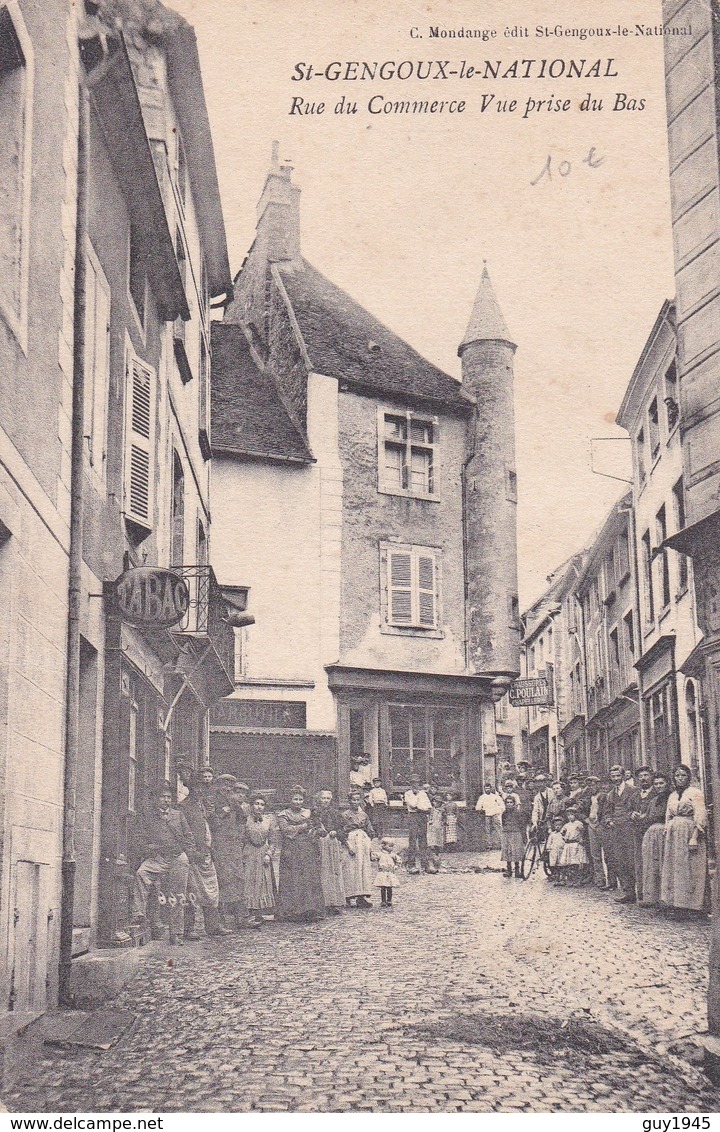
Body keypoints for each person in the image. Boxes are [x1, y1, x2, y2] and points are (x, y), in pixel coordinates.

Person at [132, 782, 195, 944]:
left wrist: (189, 856)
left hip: (177, 858)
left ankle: (176, 934)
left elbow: (188, 837)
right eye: (162, 797)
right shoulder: (147, 816)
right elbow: (139, 838)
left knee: (178, 896)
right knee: (141, 873)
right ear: (155, 799)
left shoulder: (178, 815)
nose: (166, 800)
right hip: (157, 858)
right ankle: (138, 913)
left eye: (168, 797)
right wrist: (152, 851)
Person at [180, 768, 229, 939]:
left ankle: (213, 926)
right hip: (195, 855)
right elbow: (184, 833)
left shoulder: (204, 805)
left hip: (207, 853)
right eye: (196, 788)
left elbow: (212, 826)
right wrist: (193, 852)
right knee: (192, 892)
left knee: (212, 890)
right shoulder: (184, 807)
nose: (199, 791)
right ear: (191, 789)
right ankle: (189, 928)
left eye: (202, 788)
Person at [660, 764, 708, 916]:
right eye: (677, 776)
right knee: (675, 867)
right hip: (674, 835)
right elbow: (668, 815)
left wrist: (694, 837)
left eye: (683, 775)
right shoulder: (673, 795)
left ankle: (693, 905)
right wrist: (667, 830)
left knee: (690, 868)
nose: (680, 778)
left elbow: (700, 815)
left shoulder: (695, 793)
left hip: (689, 832)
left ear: (689, 777)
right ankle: (676, 903)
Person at [210, 775, 255, 931]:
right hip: (220, 847)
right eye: (224, 785)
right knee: (222, 881)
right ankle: (219, 921)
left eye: (231, 787)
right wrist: (223, 812)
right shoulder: (213, 801)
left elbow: (242, 825)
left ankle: (241, 918)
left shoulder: (236, 804)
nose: (227, 789)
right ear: (218, 786)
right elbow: (212, 824)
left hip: (234, 847)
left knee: (238, 880)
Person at [276, 786, 326, 922]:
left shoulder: (309, 813)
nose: (298, 802)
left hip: (307, 849)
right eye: (295, 799)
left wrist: (318, 830)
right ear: (290, 800)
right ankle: (292, 911)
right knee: (293, 878)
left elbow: (319, 826)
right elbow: (286, 830)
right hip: (291, 850)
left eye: (300, 799)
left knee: (309, 878)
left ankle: (311, 909)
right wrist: (302, 827)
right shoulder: (283, 814)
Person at [603, 764, 639, 903]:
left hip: (630, 829)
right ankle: (628, 891)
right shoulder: (610, 794)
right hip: (616, 830)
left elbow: (637, 808)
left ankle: (639, 891)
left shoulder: (633, 791)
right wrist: (608, 820)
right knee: (619, 860)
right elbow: (607, 812)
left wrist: (631, 816)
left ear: (623, 776)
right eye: (613, 776)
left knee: (632, 860)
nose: (616, 779)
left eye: (618, 776)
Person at [243, 793, 280, 925]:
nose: (259, 807)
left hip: (263, 853)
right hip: (249, 853)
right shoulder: (245, 819)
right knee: (249, 881)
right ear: (252, 805)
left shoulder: (268, 820)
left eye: (262, 804)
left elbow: (273, 840)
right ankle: (247, 912)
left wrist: (268, 854)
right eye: (256, 804)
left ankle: (260, 912)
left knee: (263, 881)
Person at [313, 788, 347, 914]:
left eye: (328, 798)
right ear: (319, 799)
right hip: (319, 844)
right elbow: (311, 828)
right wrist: (318, 832)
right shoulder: (314, 813)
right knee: (322, 871)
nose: (325, 801)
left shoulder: (335, 813)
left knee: (333, 872)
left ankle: (333, 903)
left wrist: (336, 832)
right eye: (323, 798)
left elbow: (344, 829)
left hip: (332, 844)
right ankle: (322, 903)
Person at [341, 788, 376, 907]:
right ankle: (348, 897)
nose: (356, 802)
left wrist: (369, 846)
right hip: (351, 841)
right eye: (353, 800)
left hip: (363, 842)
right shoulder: (345, 815)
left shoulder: (364, 814)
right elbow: (342, 832)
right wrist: (348, 846)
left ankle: (361, 897)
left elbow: (370, 830)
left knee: (363, 869)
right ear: (349, 801)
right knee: (350, 869)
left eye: (358, 800)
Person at [640, 771, 671, 908]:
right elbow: (648, 816)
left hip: (663, 833)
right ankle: (652, 897)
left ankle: (666, 899)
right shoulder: (653, 800)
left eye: (661, 783)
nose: (658, 786)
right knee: (651, 866)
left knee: (663, 865)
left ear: (667, 784)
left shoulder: (671, 797)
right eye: (656, 783)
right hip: (651, 834)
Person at [629, 766, 656, 902]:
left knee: (653, 862)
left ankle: (654, 895)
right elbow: (629, 810)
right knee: (639, 862)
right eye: (640, 776)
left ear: (651, 776)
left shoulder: (657, 793)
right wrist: (631, 814)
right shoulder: (635, 795)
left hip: (653, 832)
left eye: (646, 775)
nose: (643, 779)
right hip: (638, 832)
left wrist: (647, 815)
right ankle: (642, 893)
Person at [404, 774, 431, 873]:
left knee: (423, 841)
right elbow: (413, 805)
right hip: (413, 817)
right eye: (413, 783)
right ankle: (411, 865)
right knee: (412, 841)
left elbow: (428, 807)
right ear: (410, 784)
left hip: (422, 817)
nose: (415, 785)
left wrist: (421, 806)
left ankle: (425, 865)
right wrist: (420, 804)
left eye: (417, 783)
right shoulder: (408, 794)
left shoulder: (423, 793)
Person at [585, 777, 607, 888]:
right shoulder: (588, 798)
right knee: (595, 854)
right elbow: (581, 809)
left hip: (601, 825)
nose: (591, 788)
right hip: (591, 825)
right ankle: (600, 878)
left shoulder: (603, 796)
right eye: (589, 786)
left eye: (593, 785)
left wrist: (602, 822)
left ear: (598, 785)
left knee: (607, 854)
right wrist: (585, 819)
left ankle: (611, 880)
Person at [559, 807, 589, 885]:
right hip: (568, 844)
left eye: (571, 815)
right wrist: (563, 833)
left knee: (576, 862)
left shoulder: (578, 823)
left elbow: (582, 832)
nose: (570, 817)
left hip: (576, 844)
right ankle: (569, 879)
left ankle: (578, 880)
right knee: (568, 862)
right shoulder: (567, 825)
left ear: (575, 815)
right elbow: (562, 832)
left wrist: (581, 838)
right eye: (568, 815)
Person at [500, 795, 525, 879]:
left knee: (516, 851)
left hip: (516, 833)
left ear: (514, 804)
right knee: (507, 851)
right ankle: (509, 869)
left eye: (511, 802)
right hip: (506, 833)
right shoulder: (504, 814)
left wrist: (523, 836)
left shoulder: (518, 813)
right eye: (507, 802)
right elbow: (503, 823)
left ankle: (517, 870)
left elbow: (522, 824)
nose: (509, 804)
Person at [475, 782, 505, 850]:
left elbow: (502, 805)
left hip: (494, 814)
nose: (487, 790)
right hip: (486, 815)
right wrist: (482, 809)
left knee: (499, 829)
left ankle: (503, 844)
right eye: (486, 788)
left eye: (488, 788)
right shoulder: (482, 797)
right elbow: (478, 807)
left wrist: (497, 811)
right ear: (484, 789)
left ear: (491, 789)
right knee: (487, 830)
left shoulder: (495, 796)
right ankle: (489, 845)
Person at [373, 837, 401, 908]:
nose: (391, 848)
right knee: (383, 887)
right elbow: (373, 857)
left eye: (392, 846)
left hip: (390, 872)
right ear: (383, 846)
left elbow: (399, 860)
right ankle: (383, 900)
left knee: (389, 887)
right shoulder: (380, 854)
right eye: (389, 846)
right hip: (382, 872)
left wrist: (396, 866)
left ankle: (389, 900)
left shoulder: (392, 855)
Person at [426, 790, 444, 873]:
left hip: (438, 829)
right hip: (432, 828)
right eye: (435, 802)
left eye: (438, 803)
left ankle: (437, 860)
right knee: (431, 844)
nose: (436, 804)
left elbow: (442, 819)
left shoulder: (441, 811)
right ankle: (431, 862)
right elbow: (429, 818)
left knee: (438, 844)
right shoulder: (431, 810)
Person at [545, 816, 566, 881]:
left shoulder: (563, 834)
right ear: (553, 826)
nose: (557, 827)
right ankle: (555, 875)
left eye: (559, 825)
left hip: (561, 850)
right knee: (554, 863)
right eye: (556, 825)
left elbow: (565, 840)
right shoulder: (552, 834)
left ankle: (562, 876)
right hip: (553, 851)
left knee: (561, 863)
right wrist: (548, 847)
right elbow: (549, 841)